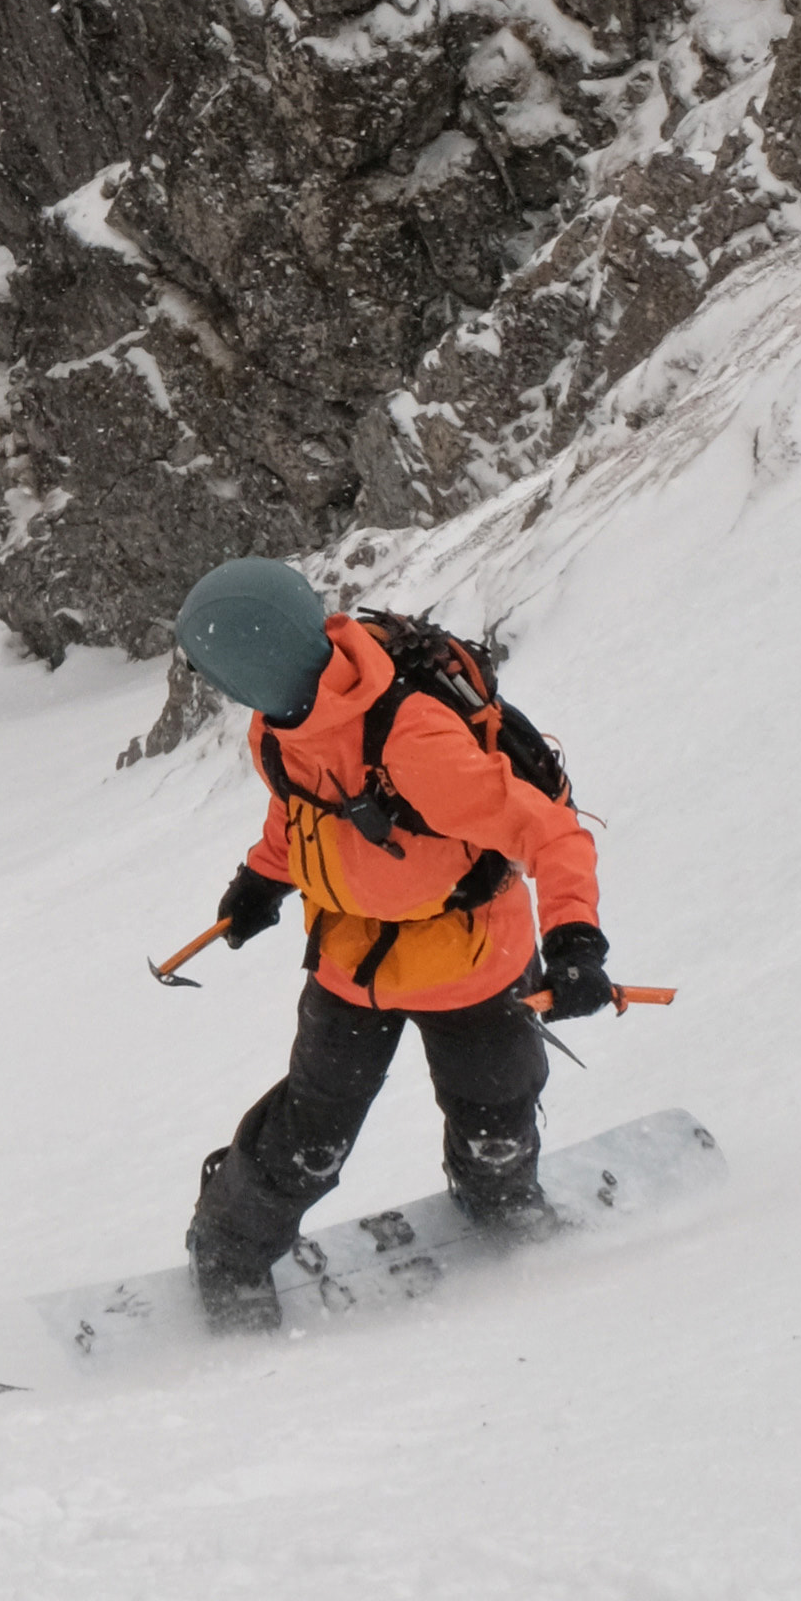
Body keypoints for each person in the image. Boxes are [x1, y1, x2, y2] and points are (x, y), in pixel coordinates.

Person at [171, 555, 614, 1332]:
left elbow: (548, 831)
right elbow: (303, 811)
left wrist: (576, 939)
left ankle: (500, 1202)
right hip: (352, 962)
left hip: (473, 959)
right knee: (310, 1136)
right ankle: (228, 1253)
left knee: (496, 1115)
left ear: (253, 666)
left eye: (214, 669)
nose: (216, 686)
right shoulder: (281, 727)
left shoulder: (413, 741)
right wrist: (263, 879)